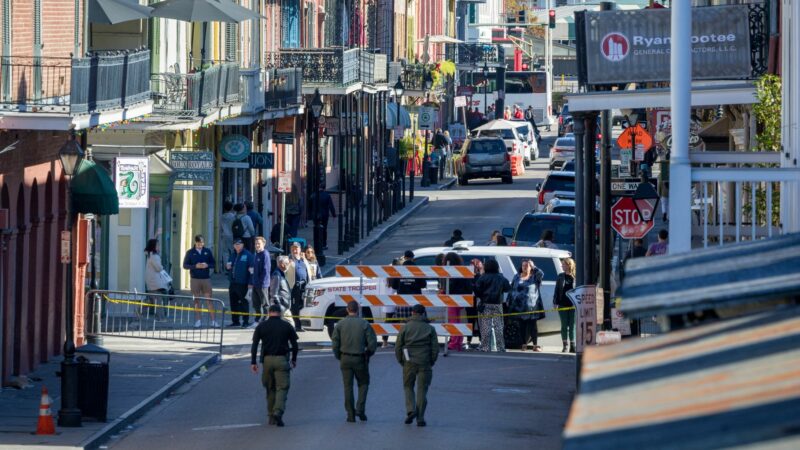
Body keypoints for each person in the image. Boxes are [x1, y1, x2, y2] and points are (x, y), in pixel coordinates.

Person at [250, 304, 299, 427]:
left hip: (266, 361)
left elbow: (255, 345)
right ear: (280, 313)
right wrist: (293, 359)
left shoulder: (261, 326)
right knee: (282, 388)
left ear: (269, 312)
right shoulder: (287, 326)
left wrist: (253, 362)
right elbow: (295, 345)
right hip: (282, 360)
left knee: (270, 388)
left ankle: (271, 416)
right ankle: (278, 411)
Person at [332, 300, 378, 422]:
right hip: (360, 358)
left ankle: (350, 414)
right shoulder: (364, 324)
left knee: (348, 386)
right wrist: (368, 353)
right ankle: (360, 409)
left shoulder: (340, 324)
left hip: (345, 358)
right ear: (357, 310)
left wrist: (339, 356)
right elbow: (372, 343)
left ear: (347, 310)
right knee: (363, 383)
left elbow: (335, 343)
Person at [395, 304, 439, 427]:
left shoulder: (405, 327)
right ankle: (420, 418)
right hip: (424, 361)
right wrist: (431, 361)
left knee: (408, 386)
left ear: (412, 313)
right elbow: (435, 348)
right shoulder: (430, 328)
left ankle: (411, 410)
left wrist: (401, 361)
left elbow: (398, 346)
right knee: (422, 390)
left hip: (409, 361)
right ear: (423, 313)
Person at [472, 259, 510, 352]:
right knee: (499, 326)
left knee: (485, 326)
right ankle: (501, 347)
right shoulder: (501, 277)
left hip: (485, 304)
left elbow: (476, 290)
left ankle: (485, 347)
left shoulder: (483, 277)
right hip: (498, 304)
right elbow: (507, 288)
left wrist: (481, 296)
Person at [509, 259, 545, 351]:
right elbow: (512, 288)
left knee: (533, 326)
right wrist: (509, 299)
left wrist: (534, 266)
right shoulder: (517, 276)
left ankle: (535, 345)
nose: (524, 267)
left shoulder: (534, 277)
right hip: (519, 306)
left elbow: (541, 273)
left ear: (530, 267)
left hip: (532, 306)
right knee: (521, 326)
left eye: (527, 265)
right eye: (523, 265)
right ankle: (523, 344)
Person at [182, 235, 218, 328]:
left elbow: (213, 264)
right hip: (195, 279)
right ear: (195, 243)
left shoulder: (207, 251)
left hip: (206, 278)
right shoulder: (190, 252)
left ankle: (213, 321)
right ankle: (198, 321)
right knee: (196, 300)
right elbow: (185, 265)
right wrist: (195, 266)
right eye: (198, 243)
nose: (200, 245)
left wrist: (207, 265)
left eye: (202, 243)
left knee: (209, 300)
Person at [442, 252, 471, 352]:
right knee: (458, 321)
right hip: (462, 298)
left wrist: (443, 290)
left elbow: (450, 286)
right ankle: (458, 342)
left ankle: (454, 343)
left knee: (453, 321)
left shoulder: (451, 271)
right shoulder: (462, 270)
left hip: (452, 298)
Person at [227, 239, 253, 328]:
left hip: (243, 283)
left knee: (244, 303)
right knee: (233, 303)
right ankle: (235, 321)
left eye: (239, 244)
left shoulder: (248, 255)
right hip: (233, 283)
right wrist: (227, 267)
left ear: (243, 245)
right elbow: (229, 266)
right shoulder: (233, 255)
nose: (237, 245)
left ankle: (245, 321)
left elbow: (252, 270)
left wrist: (250, 283)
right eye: (235, 244)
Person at [553, 258, 576, 353]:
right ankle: (565, 345)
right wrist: (555, 302)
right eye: (562, 265)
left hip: (573, 305)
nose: (562, 266)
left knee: (572, 325)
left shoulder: (576, 276)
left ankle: (573, 345)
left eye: (564, 264)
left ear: (569, 265)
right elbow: (557, 290)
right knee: (564, 325)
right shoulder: (560, 276)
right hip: (562, 304)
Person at [144, 238, 169, 319]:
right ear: (153, 247)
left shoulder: (149, 254)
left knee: (154, 300)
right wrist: (162, 267)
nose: (159, 247)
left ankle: (157, 315)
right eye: (157, 245)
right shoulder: (154, 256)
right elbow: (158, 268)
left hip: (152, 281)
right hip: (155, 282)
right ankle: (160, 317)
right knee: (158, 301)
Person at [287, 242, 310, 331]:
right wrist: (288, 263)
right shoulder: (289, 260)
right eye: (293, 249)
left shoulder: (304, 260)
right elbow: (284, 270)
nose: (294, 250)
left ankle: (304, 323)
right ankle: (297, 325)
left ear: (300, 250)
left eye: (296, 248)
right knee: (295, 307)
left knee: (304, 305)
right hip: (294, 287)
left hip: (304, 286)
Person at [250, 236, 271, 323]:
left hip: (262, 284)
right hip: (255, 283)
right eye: (256, 243)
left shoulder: (265, 254)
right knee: (256, 303)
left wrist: (261, 283)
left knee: (264, 303)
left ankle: (266, 319)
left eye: (259, 243)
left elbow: (266, 270)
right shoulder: (257, 254)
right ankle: (258, 318)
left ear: (263, 244)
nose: (257, 245)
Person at [218, 201, 235, 267]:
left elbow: (220, 227)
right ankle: (233, 266)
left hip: (224, 235)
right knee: (233, 251)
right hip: (232, 235)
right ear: (231, 208)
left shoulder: (222, 216)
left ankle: (227, 267)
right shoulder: (233, 217)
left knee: (225, 252)